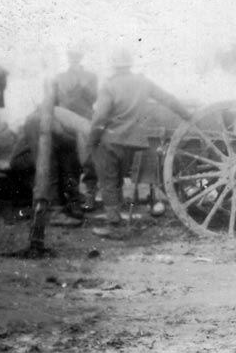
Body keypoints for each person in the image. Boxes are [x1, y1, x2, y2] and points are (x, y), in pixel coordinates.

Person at [87, 46, 193, 238]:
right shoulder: (142, 82)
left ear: (113, 65)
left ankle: (114, 225)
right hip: (133, 143)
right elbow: (166, 98)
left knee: (109, 182)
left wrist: (91, 141)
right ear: (130, 64)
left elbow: (99, 118)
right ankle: (117, 219)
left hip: (110, 141)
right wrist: (187, 115)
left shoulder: (109, 86)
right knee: (117, 180)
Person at [53, 44, 99, 211]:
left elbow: (94, 98)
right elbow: (55, 102)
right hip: (66, 123)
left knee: (88, 157)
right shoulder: (60, 77)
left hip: (85, 121)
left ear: (81, 57)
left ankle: (90, 194)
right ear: (68, 57)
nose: (74, 58)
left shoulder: (90, 76)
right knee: (68, 158)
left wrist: (84, 85)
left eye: (77, 55)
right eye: (71, 55)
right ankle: (72, 195)